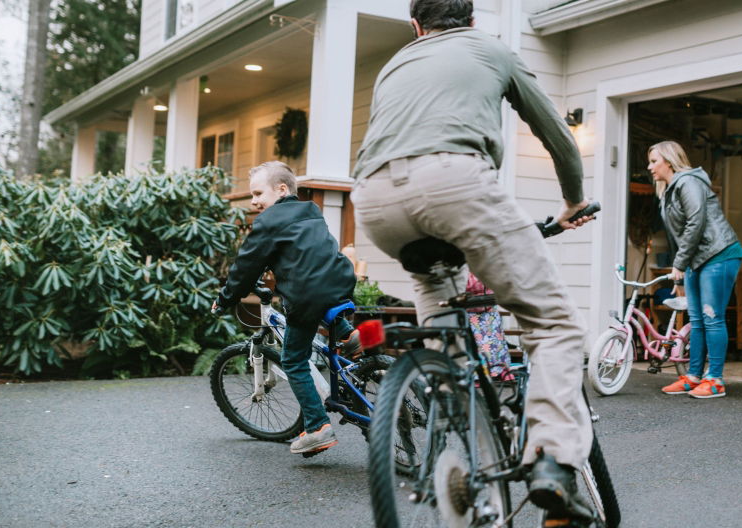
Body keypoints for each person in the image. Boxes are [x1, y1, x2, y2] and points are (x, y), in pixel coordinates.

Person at [351, 0, 595, 520]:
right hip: (453, 183)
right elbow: (558, 137)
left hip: (372, 199)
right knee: (553, 325)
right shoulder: (491, 48)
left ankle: (464, 428)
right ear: (471, 20)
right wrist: (572, 200)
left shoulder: (398, 63)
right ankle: (550, 462)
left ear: (417, 27)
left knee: (443, 327)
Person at [211, 161, 360, 455]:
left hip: (306, 296)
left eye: (257, 194)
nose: (253, 201)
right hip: (339, 282)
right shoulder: (310, 211)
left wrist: (226, 299)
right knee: (320, 299)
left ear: (281, 190)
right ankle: (347, 333)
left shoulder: (268, 222)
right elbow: (306, 251)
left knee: (293, 360)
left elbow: (244, 269)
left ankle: (317, 427)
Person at [648, 141, 742, 399]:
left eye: (654, 161)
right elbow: (678, 236)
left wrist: (679, 263)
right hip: (696, 259)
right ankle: (693, 376)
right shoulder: (668, 191)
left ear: (668, 161)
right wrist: (682, 269)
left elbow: (696, 222)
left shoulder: (688, 182)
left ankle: (715, 380)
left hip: (719, 253)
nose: (650, 167)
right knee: (697, 319)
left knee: (712, 317)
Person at [465, 272, 513, 381]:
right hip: (471, 310)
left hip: (489, 306)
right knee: (477, 345)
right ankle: (478, 375)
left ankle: (502, 370)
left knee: (497, 342)